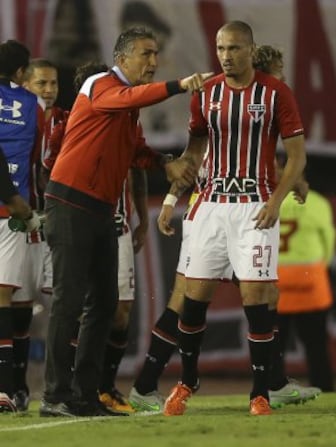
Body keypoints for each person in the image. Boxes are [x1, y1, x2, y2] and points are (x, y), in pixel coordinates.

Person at [128, 44, 318, 413]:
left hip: (248, 212)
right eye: (279, 70)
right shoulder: (215, 98)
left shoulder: (270, 104)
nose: (283, 78)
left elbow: (274, 162)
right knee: (187, 298)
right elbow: (193, 157)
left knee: (262, 298)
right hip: (210, 209)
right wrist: (169, 201)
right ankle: (160, 382)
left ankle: (269, 385)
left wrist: (286, 188)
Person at [39, 27, 212, 418]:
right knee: (69, 300)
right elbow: (132, 97)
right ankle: (54, 395)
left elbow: (135, 150)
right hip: (69, 201)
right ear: (122, 58)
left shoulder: (126, 107)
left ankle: (86, 395)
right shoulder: (101, 84)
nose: (153, 62)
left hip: (100, 209)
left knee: (103, 303)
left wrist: (167, 164)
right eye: (146, 55)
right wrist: (179, 85)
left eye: (155, 55)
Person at [6, 59, 64, 412]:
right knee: (15, 305)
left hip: (48, 224)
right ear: (24, 85)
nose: (48, 89)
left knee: (34, 307)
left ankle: (50, 385)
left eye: (53, 83)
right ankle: (15, 386)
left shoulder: (67, 119)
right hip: (19, 222)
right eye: (41, 83)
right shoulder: (17, 120)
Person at [0, 40, 43, 413]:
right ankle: (8, 388)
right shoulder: (33, 106)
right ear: (20, 73)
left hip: (12, 208)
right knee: (7, 299)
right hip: (14, 212)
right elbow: (38, 162)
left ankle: (13, 388)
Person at [275, 157, 336, 392]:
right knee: (316, 346)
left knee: (274, 346)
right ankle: (325, 391)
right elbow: (328, 246)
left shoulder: (270, 202)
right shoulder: (318, 203)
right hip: (310, 282)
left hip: (276, 283)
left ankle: (274, 389)